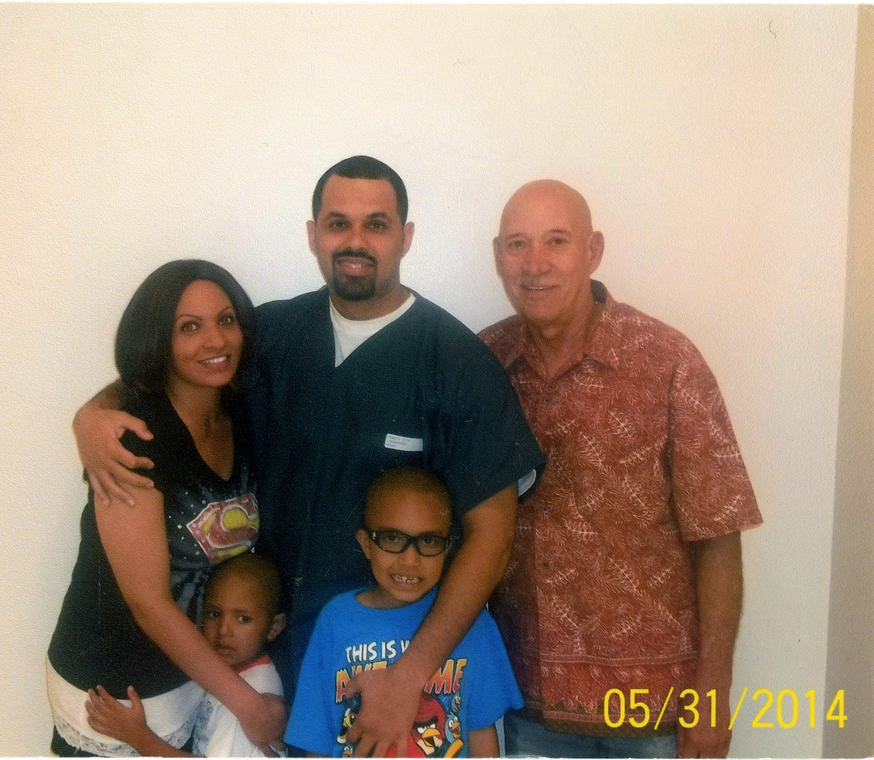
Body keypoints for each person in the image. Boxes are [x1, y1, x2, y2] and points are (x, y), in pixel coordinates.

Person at [72, 156, 545, 756]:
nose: (355, 241)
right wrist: (92, 416)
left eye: (376, 224)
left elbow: (493, 539)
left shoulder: (455, 363)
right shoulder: (270, 335)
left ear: (406, 237)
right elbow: (174, 370)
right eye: (337, 223)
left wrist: (410, 677)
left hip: (391, 670)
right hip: (269, 660)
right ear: (313, 234)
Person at [479, 179, 763, 758]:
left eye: (556, 241)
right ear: (497, 257)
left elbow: (718, 536)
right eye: (518, 244)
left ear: (594, 250)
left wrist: (713, 695)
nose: (535, 264)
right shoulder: (479, 366)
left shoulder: (667, 361)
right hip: (525, 706)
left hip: (655, 714)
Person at [46, 260, 285, 757]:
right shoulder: (132, 441)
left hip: (196, 672)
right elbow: (148, 603)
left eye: (225, 320)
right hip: (118, 692)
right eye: (189, 327)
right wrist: (248, 704)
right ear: (158, 339)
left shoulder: (238, 409)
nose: (215, 341)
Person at [284, 467, 524, 758]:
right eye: (392, 539)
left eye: (428, 542)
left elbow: (482, 732)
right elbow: (317, 741)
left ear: (448, 548)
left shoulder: (472, 623)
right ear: (366, 544)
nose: (410, 561)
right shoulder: (334, 620)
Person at [85, 552, 288, 758]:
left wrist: (139, 738)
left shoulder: (256, 693)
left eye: (243, 619)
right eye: (214, 613)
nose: (224, 630)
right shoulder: (236, 672)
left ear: (274, 627)